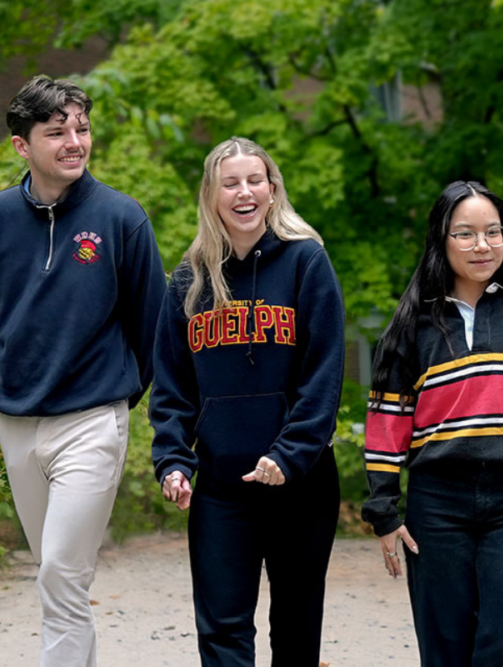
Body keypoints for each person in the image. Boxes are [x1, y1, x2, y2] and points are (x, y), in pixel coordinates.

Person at [149, 137, 345, 666]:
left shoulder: (306, 262)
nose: (244, 192)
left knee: (296, 629)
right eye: (230, 183)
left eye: (254, 180)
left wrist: (288, 453)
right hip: (219, 489)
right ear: (211, 196)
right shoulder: (188, 280)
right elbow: (171, 387)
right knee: (221, 630)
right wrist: (172, 458)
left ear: (272, 188)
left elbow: (323, 374)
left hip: (298, 482)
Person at [362, 180, 503, 666]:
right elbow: (389, 422)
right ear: (441, 239)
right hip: (437, 502)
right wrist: (384, 511)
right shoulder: (414, 324)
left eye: (493, 232)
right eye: (465, 234)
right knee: (446, 650)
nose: (482, 245)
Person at [0, 75, 166, 667]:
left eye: (83, 128)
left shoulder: (122, 218)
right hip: (15, 423)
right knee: (54, 573)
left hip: (91, 423)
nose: (75, 141)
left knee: (60, 575)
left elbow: (154, 330)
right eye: (57, 131)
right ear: (22, 145)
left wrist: (114, 400)